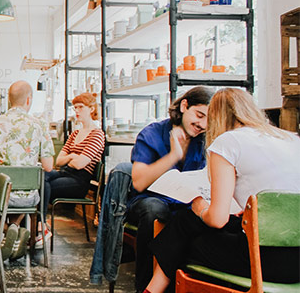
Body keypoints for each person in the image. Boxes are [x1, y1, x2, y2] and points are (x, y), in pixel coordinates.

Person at [144, 88, 300, 293]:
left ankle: (152, 289)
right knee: (186, 224)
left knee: (185, 230)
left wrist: (200, 207)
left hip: (262, 261)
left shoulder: (228, 142)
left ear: (215, 117)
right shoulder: (291, 139)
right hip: (295, 260)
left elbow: (217, 219)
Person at [125, 86, 213, 292]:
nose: (202, 124)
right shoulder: (152, 134)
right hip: (149, 201)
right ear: (184, 106)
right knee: (156, 210)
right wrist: (173, 156)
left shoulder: (205, 141)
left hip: (187, 203)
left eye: (209, 120)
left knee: (208, 217)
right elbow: (138, 182)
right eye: (199, 115)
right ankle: (144, 286)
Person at [0, 81, 56, 259]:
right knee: (20, 198)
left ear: (9, 100)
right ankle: (15, 230)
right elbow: (48, 166)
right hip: (30, 196)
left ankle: (9, 231)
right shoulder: (40, 124)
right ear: (29, 100)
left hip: (1, 194)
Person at [43, 92, 105, 236]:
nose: (76, 111)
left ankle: (40, 224)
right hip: (64, 173)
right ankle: (40, 224)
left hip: (79, 181)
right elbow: (59, 160)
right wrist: (72, 156)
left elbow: (80, 165)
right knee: (40, 176)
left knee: (44, 185)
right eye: (75, 107)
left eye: (80, 107)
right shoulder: (75, 134)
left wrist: (71, 159)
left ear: (91, 109)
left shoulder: (97, 134)